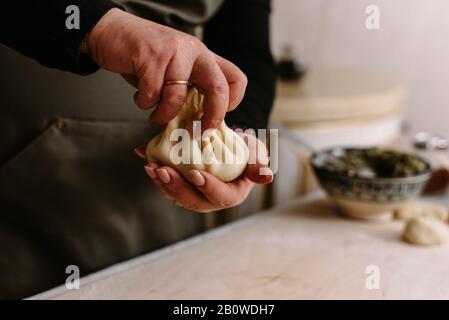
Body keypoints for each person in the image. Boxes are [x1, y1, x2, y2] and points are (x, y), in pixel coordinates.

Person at [0, 0, 276, 299]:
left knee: (156, 287)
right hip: (22, 161)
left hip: (161, 185)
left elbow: (245, 46)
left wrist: (240, 127)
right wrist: (96, 25)